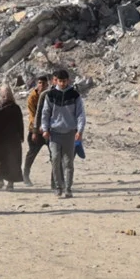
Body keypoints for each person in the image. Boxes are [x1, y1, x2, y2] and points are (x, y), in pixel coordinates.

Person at [41, 69, 86, 198]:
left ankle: (68, 188)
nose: (62, 83)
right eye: (60, 81)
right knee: (55, 159)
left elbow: (80, 114)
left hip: (69, 133)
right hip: (54, 133)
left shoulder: (75, 95)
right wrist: (45, 129)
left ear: (68, 81)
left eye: (64, 81)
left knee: (68, 162)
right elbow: (45, 113)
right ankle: (58, 186)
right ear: (56, 81)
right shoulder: (51, 95)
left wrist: (80, 130)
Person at [0, 84, 24, 190]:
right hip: (10, 137)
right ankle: (8, 182)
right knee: (9, 159)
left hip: (2, 137)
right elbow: (20, 123)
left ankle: (3, 181)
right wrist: (21, 136)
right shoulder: (14, 107)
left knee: (3, 159)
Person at [24, 76, 49, 186]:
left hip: (48, 130)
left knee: (55, 155)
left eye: (44, 83)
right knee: (32, 154)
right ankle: (25, 175)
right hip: (35, 129)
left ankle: (56, 180)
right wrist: (36, 129)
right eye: (40, 83)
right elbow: (33, 114)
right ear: (37, 84)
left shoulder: (49, 95)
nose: (42, 85)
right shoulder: (32, 97)